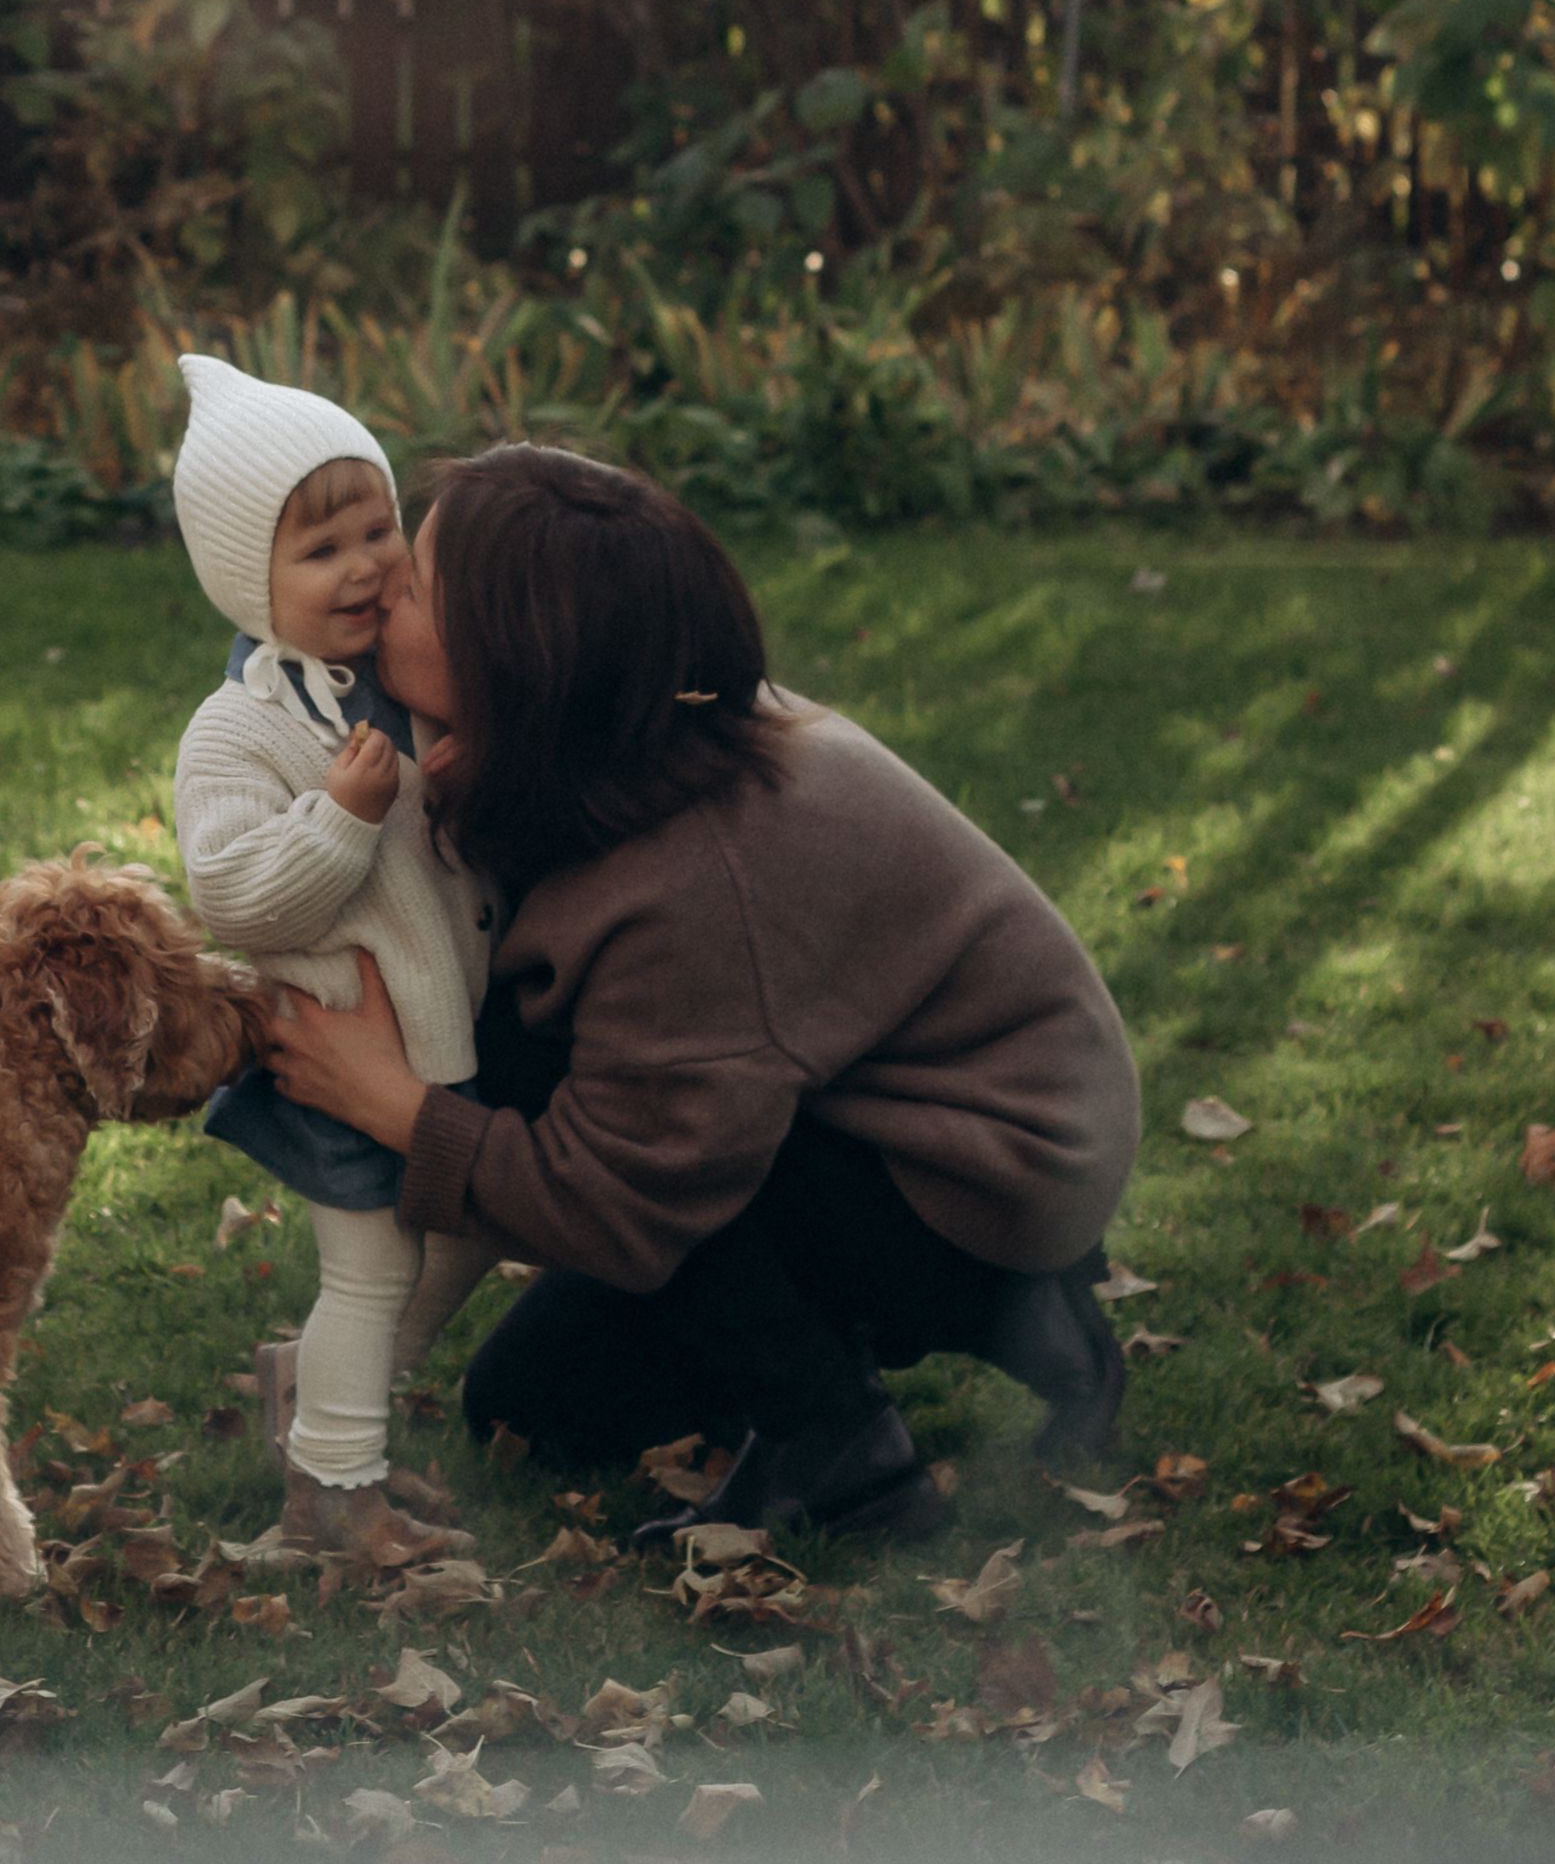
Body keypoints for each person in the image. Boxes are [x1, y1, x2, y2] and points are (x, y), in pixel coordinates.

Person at [259, 443, 1139, 1544]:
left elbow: (615, 1200)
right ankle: (1031, 1324)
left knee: (534, 1053)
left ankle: (845, 1458)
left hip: (984, 1167)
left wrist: (389, 1103)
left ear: (517, 660)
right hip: (874, 1113)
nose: (384, 589)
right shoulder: (625, 729)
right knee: (532, 1410)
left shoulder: (689, 880)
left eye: (420, 587)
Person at [159, 355, 500, 1543]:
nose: (362, 566)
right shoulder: (239, 730)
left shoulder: (396, 689)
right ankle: (334, 1498)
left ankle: (310, 1390)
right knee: (374, 1271)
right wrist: (340, 820)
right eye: (318, 552)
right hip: (338, 1050)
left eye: (376, 531)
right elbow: (235, 897)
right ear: (244, 585)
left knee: (467, 1233)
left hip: (441, 1038)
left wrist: (464, 784)